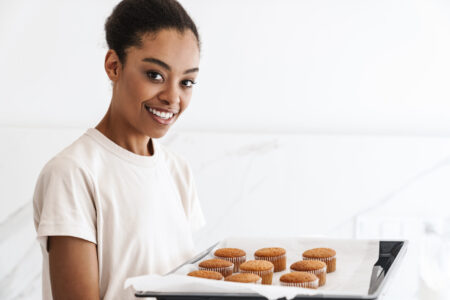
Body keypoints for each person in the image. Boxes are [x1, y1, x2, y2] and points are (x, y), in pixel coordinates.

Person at [32, 0, 205, 299]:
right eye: (155, 75)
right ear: (114, 66)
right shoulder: (73, 174)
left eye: (186, 81)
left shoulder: (178, 171)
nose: (172, 97)